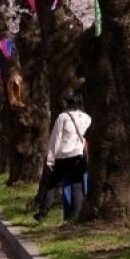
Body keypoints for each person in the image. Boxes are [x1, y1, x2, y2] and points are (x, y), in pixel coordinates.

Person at [34, 93, 91, 222]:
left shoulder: (63, 117)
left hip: (63, 156)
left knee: (52, 185)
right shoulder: (87, 118)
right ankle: (75, 216)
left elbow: (55, 139)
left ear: (67, 104)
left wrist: (50, 159)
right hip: (79, 156)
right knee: (77, 186)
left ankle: (42, 213)